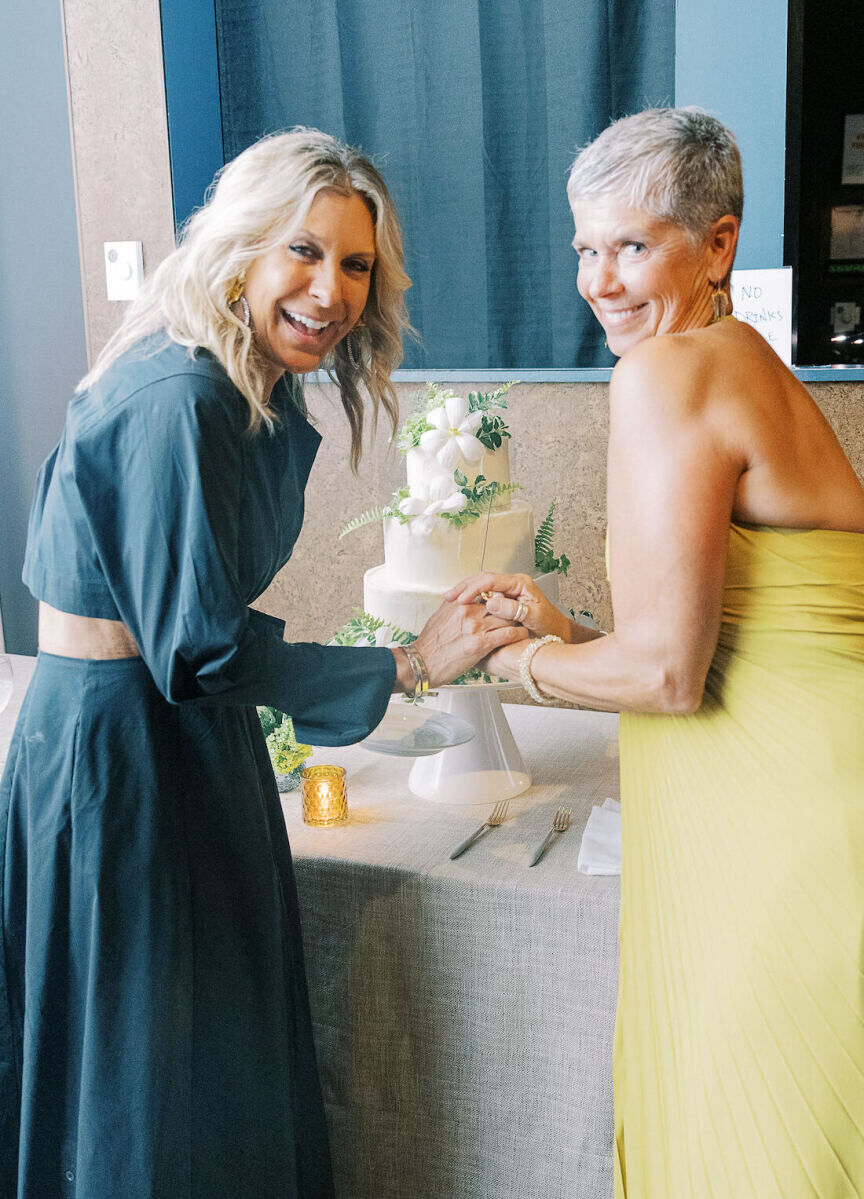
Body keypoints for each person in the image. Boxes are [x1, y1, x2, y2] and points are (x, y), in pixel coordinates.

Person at [0, 128, 525, 1199]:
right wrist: (408, 664)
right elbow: (199, 647)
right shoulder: (182, 396)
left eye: (355, 264)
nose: (331, 291)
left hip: (166, 734)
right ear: (242, 246)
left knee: (196, 1058)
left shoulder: (231, 375)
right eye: (304, 250)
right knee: (152, 1076)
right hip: (125, 753)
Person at [448, 108, 864, 1196]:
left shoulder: (667, 373)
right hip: (800, 794)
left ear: (718, 246)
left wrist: (508, 663)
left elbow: (668, 679)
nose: (599, 280)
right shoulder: (743, 359)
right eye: (584, 248)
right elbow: (721, 650)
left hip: (789, 834)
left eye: (631, 245)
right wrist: (567, 634)